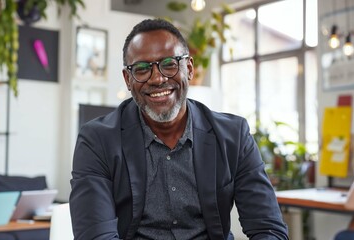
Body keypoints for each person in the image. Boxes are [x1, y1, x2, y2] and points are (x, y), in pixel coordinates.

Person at [69, 18, 289, 240]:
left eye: (170, 64)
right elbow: (95, 236)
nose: (157, 78)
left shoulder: (234, 136)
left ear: (190, 69)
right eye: (142, 69)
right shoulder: (97, 140)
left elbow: (268, 229)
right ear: (128, 79)